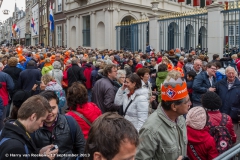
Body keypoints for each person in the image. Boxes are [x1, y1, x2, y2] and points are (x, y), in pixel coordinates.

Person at [135, 70, 191, 160]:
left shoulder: (180, 118)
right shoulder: (151, 130)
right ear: (174, 107)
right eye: (187, 101)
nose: (190, 104)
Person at [0, 95, 58, 160]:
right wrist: (46, 158)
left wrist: (39, 152)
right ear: (33, 117)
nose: (41, 125)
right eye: (42, 120)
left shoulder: (14, 128)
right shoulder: (15, 147)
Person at [33, 91, 85, 160]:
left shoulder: (70, 122)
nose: (49, 113)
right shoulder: (33, 128)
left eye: (53, 108)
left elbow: (82, 146)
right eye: (45, 109)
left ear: (58, 106)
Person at [215, 66, 240, 142]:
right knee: (221, 136)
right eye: (229, 73)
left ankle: (234, 152)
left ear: (235, 74)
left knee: (234, 137)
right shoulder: (219, 84)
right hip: (221, 115)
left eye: (233, 73)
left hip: (234, 116)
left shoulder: (239, 85)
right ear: (226, 74)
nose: (231, 75)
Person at [0, 62, 14, 130]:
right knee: (2, 119)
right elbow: (11, 87)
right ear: (2, 68)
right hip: (3, 99)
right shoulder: (5, 76)